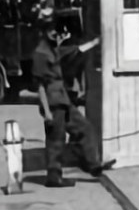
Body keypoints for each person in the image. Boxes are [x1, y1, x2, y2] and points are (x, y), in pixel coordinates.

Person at [33, 12, 114, 188]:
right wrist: (46, 112)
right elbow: (39, 86)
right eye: (52, 30)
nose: (55, 33)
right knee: (56, 141)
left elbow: (75, 50)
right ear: (44, 32)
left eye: (56, 30)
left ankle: (94, 166)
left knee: (84, 128)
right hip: (53, 104)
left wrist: (95, 43)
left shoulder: (53, 48)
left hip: (63, 101)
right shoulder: (41, 53)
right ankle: (54, 177)